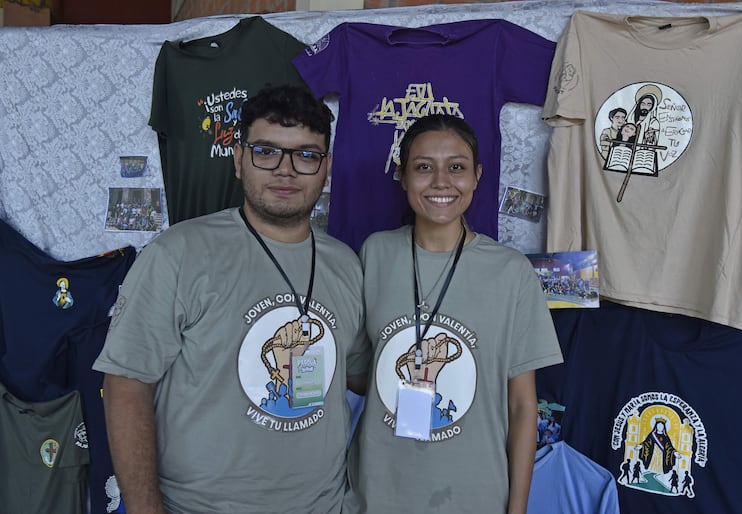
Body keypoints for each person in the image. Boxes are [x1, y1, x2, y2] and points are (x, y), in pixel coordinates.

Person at [93, 84, 370, 514]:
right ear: (239, 160)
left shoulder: (346, 265)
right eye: (266, 151)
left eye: (306, 155)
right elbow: (125, 385)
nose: (285, 170)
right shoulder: (178, 254)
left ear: (326, 167)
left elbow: (358, 375)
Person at [345, 114, 564, 514]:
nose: (441, 181)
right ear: (403, 176)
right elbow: (360, 373)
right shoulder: (374, 253)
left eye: (457, 167)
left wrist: (517, 509)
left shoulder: (511, 271)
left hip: (474, 495)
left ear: (477, 175)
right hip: (375, 494)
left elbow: (522, 405)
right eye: (424, 167)